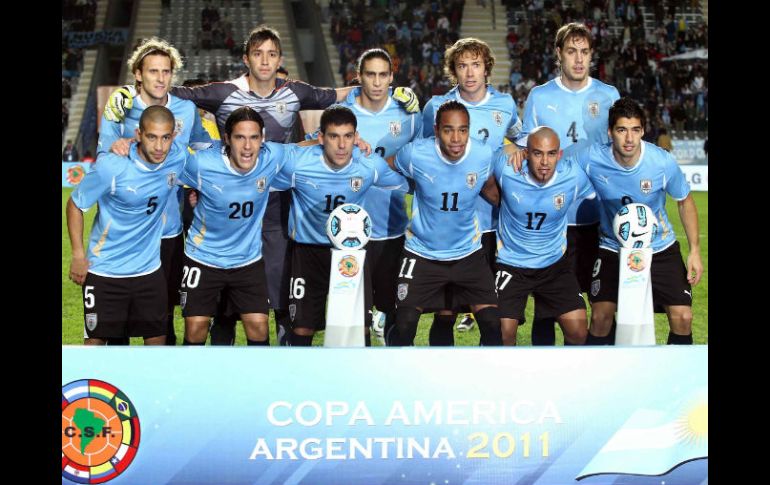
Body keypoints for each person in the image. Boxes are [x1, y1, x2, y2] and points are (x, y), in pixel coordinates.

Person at [104, 25, 419, 347]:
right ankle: (218, 349)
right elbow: (175, 94)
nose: (265, 62)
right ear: (246, 59)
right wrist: (129, 92)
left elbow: (336, 95)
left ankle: (284, 352)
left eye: (271, 54)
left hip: (277, 199)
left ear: (280, 58)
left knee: (280, 288)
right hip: (228, 198)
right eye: (258, 54)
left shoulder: (293, 92)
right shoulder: (225, 92)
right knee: (223, 294)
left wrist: (395, 94)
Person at [98, 37, 215, 346]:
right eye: (153, 71)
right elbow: (102, 156)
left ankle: (162, 384)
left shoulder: (186, 110)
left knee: (162, 314)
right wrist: (115, 148)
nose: (161, 78)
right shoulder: (120, 107)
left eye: (166, 71)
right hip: (125, 232)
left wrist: (208, 177)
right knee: (118, 321)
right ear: (138, 74)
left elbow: (202, 147)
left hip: (167, 229)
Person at [515, 22, 620, 346]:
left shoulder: (609, 95)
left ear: (591, 56)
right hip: (555, 221)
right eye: (571, 51)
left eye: (584, 52)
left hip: (599, 219)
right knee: (548, 308)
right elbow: (524, 151)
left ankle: (599, 373)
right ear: (559, 54)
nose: (578, 59)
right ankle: (547, 381)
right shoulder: (540, 96)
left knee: (602, 305)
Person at [570, 97, 703, 345]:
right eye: (621, 130)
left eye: (635, 130)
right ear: (610, 132)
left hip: (660, 246)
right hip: (612, 247)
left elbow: (684, 201)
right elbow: (560, 178)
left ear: (643, 130)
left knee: (683, 317)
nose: (629, 139)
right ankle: (601, 376)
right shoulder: (591, 159)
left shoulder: (660, 161)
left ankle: (673, 378)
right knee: (600, 318)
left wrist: (694, 251)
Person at [272, 105, 407, 346]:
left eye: (348, 136)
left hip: (351, 254)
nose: (342, 145)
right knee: (302, 328)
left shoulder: (369, 165)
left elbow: (404, 184)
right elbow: (259, 167)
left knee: (358, 330)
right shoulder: (298, 164)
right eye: (334, 137)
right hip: (307, 253)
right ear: (321, 138)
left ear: (357, 137)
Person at [421, 37, 521, 343]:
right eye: (462, 66)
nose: (469, 72)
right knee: (446, 312)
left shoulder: (505, 104)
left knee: (492, 312)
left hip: (492, 224)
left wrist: (518, 147)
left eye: (476, 64)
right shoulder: (437, 107)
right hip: (448, 227)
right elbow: (427, 153)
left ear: (486, 68)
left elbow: (520, 138)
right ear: (454, 70)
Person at [66, 106, 188, 345]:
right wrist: (78, 255)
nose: (159, 146)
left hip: (149, 271)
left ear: (173, 136)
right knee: (95, 344)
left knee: (157, 344)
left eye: (165, 137)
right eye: (152, 137)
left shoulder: (178, 157)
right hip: (105, 271)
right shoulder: (112, 167)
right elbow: (75, 205)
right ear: (138, 134)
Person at [326, 48, 423, 345]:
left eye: (383, 75)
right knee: (357, 318)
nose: (377, 82)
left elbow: (420, 158)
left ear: (392, 78)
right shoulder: (343, 114)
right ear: (359, 77)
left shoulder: (408, 114)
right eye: (370, 74)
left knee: (398, 312)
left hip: (394, 228)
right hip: (351, 232)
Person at [389, 100, 504, 347]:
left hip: (467, 254)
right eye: (448, 130)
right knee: (405, 324)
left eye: (462, 130)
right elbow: (386, 167)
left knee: (493, 324)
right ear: (436, 129)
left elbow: (490, 189)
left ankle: (487, 381)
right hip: (422, 252)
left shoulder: (482, 154)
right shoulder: (416, 153)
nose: (456, 138)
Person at [179, 107, 288, 346]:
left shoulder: (273, 157)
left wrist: (355, 143)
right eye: (240, 137)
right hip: (203, 258)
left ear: (263, 138)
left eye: (254, 137)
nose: (247, 146)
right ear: (227, 139)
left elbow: (306, 149)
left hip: (247, 260)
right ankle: (188, 381)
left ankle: (257, 383)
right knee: (196, 328)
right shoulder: (201, 165)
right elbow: (161, 166)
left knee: (259, 327)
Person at [492, 126, 595, 345]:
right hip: (512, 263)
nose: (545, 162)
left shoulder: (573, 175)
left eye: (551, 154)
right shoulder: (507, 169)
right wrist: (511, 151)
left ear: (559, 155)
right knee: (501, 333)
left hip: (554, 265)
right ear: (527, 153)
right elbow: (478, 160)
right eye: (538, 153)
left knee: (578, 331)